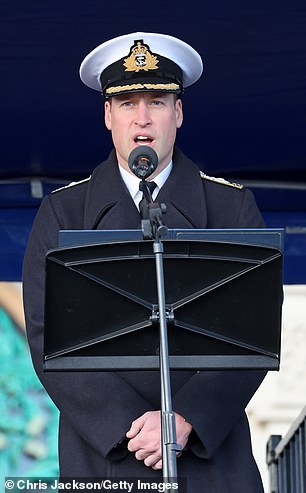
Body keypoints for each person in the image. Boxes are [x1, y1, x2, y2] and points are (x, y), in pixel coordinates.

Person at [23, 32, 266, 492]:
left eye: (156, 101)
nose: (142, 118)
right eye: (128, 102)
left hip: (211, 459)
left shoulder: (232, 207)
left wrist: (188, 417)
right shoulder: (62, 212)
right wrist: (131, 427)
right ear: (108, 116)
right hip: (104, 457)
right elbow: (44, 336)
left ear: (178, 113)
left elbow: (253, 334)